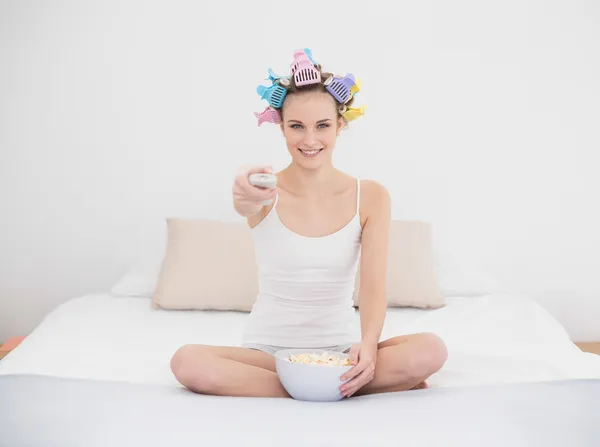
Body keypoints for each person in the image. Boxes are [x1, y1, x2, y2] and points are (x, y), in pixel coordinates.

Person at [170, 49, 447, 398]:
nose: (310, 140)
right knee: (188, 361)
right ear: (282, 126)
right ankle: (331, 388)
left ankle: (327, 381)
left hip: (341, 353)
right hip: (267, 355)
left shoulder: (371, 196)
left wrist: (369, 347)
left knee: (431, 350)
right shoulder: (264, 189)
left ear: (340, 125)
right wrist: (243, 190)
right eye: (297, 126)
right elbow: (244, 203)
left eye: (323, 126)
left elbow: (374, 285)